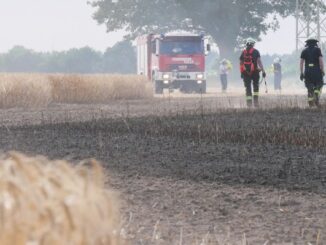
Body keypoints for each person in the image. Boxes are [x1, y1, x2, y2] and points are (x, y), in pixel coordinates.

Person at [240, 38, 266, 107]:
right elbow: (259, 62)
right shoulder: (256, 52)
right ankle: (256, 103)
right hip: (255, 72)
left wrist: (242, 72)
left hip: (245, 73)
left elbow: (241, 63)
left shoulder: (243, 52)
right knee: (256, 87)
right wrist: (263, 71)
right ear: (252, 44)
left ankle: (249, 104)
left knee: (248, 88)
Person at [300, 37, 325, 107]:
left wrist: (301, 73)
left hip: (308, 71)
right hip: (316, 70)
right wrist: (322, 70)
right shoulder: (318, 50)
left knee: (309, 86)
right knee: (319, 83)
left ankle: (311, 103)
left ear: (307, 43)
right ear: (315, 43)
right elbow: (321, 61)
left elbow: (301, 63)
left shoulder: (304, 51)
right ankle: (316, 93)